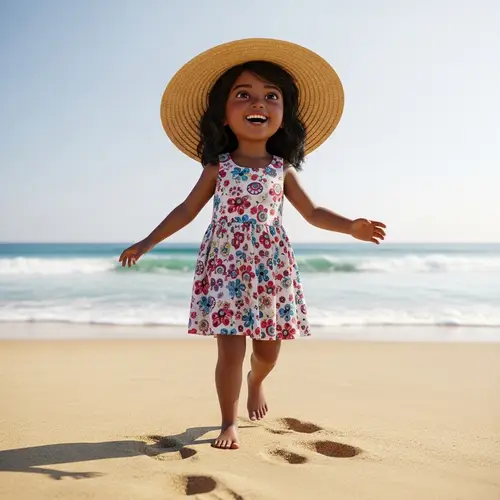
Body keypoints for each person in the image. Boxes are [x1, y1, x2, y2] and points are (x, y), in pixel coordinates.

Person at [119, 38, 386, 450]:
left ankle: (256, 381)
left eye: (270, 96)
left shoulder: (282, 169)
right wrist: (148, 241)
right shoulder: (218, 167)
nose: (257, 103)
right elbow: (187, 210)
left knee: (268, 351)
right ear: (223, 116)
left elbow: (312, 213)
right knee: (229, 350)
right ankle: (229, 421)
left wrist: (351, 226)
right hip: (224, 265)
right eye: (242, 95)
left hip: (271, 267)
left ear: (284, 114)